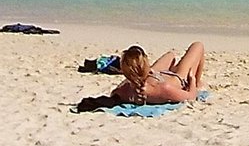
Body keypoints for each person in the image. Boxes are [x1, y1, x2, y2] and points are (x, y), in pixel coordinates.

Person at [76, 41, 206, 111]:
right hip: (177, 78)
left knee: (170, 55)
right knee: (198, 46)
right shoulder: (164, 89)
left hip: (154, 76)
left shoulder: (123, 90)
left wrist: (139, 76)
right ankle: (199, 81)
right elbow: (191, 96)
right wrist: (193, 81)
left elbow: (118, 90)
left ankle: (165, 69)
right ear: (145, 65)